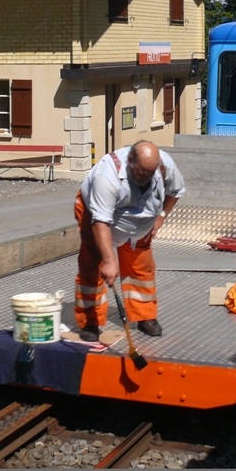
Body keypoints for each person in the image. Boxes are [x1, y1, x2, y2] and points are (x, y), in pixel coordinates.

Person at [73, 140, 185, 341]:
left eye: (150, 174)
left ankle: (144, 316)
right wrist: (109, 260)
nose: (146, 178)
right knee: (93, 266)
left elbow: (175, 191)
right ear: (130, 160)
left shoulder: (164, 165)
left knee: (141, 268)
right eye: (141, 173)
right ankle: (90, 321)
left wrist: (161, 217)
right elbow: (100, 221)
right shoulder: (107, 175)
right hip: (98, 218)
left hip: (140, 226)